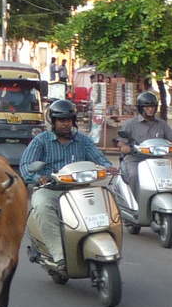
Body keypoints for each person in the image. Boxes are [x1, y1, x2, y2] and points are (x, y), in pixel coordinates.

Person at [20, 97, 112, 262]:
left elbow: (100, 159)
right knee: (41, 205)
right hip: (51, 190)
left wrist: (108, 167)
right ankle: (61, 256)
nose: (65, 124)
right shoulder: (41, 141)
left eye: (68, 120)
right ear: (53, 122)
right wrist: (37, 178)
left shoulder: (83, 140)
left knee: (105, 203)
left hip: (80, 189)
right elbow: (26, 166)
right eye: (61, 120)